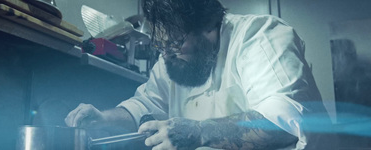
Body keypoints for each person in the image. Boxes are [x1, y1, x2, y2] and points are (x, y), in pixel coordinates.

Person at [65, 0, 326, 149]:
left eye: (175, 43)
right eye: (160, 46)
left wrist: (200, 131)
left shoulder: (259, 35)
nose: (165, 54)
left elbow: (285, 122)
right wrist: (103, 117)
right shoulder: (171, 57)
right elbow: (145, 105)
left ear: (210, 27)